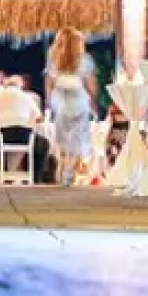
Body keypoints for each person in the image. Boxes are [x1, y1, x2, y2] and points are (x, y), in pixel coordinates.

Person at [45, 28, 96, 186]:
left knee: (63, 140)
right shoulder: (84, 59)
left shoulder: (54, 59)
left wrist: (50, 100)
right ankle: (69, 171)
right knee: (78, 142)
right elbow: (91, 85)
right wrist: (93, 99)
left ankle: (62, 166)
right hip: (79, 104)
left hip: (61, 103)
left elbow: (49, 83)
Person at [0, 73, 50, 180]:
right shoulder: (27, 97)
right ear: (20, 85)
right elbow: (39, 118)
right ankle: (36, 176)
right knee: (44, 144)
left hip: (2, 136)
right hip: (23, 137)